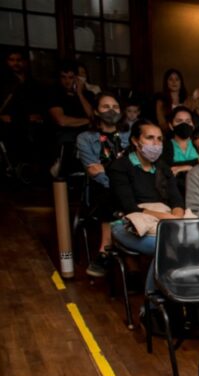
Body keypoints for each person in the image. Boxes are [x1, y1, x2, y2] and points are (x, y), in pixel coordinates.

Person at [107, 119, 185, 293]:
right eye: (150, 138)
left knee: (190, 242)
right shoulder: (120, 167)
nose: (155, 143)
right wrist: (169, 218)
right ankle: (153, 302)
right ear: (135, 141)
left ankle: (179, 294)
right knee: (166, 246)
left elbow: (177, 200)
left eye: (159, 139)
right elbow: (129, 207)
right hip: (128, 224)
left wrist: (177, 216)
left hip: (165, 222)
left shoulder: (163, 167)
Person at [75, 92, 130, 277]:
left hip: (130, 184)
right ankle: (105, 249)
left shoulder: (130, 134)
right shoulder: (84, 138)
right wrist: (118, 178)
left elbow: (136, 165)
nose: (111, 111)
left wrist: (106, 168)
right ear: (96, 111)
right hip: (101, 188)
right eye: (106, 107)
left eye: (115, 107)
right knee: (108, 191)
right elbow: (93, 171)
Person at [48, 60, 94, 177]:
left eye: (71, 77)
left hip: (87, 133)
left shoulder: (88, 95)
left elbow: (93, 115)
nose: (67, 81)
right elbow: (62, 121)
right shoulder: (55, 94)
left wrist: (80, 94)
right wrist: (87, 121)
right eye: (63, 77)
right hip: (65, 134)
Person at [164, 105, 199, 194]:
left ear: (193, 125)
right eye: (179, 121)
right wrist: (196, 163)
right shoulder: (165, 146)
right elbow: (167, 169)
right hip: (175, 191)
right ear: (171, 126)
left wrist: (187, 167)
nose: (184, 124)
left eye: (188, 121)